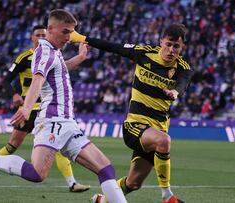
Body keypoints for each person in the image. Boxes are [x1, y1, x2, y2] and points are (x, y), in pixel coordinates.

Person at [0, 9, 127, 203]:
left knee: (106, 169)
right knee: (37, 173)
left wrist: (80, 58)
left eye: (71, 32)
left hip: (67, 122)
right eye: (65, 31)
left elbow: (60, 69)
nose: (69, 37)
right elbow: (37, 80)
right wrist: (27, 108)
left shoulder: (54, 51)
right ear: (50, 29)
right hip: (54, 120)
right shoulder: (45, 51)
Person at [71, 23, 192, 203]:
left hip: (156, 130)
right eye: (168, 44)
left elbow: (182, 82)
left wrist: (176, 92)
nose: (171, 50)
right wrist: (81, 38)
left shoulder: (183, 67)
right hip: (134, 126)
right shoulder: (143, 53)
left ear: (182, 48)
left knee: (133, 183)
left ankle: (102, 201)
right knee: (164, 141)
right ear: (161, 42)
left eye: (176, 46)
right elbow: (112, 46)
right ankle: (167, 195)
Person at [0, 25, 90, 192]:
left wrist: (81, 56)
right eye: (37, 34)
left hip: (48, 110)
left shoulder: (54, 55)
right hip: (29, 109)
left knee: (58, 148)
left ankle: (72, 183)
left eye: (43, 34)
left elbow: (64, 67)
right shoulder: (24, 58)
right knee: (12, 145)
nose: (40, 37)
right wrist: (14, 95)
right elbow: (6, 80)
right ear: (32, 38)